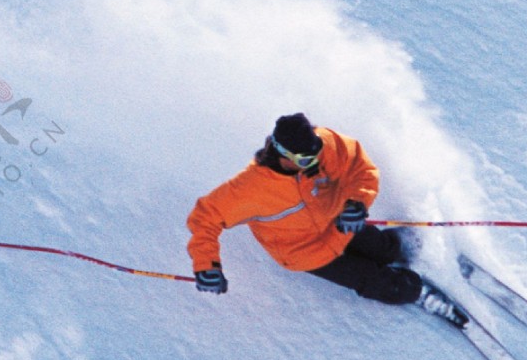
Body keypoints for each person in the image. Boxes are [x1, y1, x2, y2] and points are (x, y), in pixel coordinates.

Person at [187, 113, 468, 326]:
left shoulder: (323, 146)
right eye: (306, 159)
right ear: (283, 154)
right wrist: (206, 266)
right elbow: (204, 219)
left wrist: (358, 203)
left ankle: (403, 250)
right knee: (378, 283)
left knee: (386, 247)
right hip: (305, 252)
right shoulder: (247, 190)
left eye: (316, 153)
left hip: (340, 222)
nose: (314, 161)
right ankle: (416, 292)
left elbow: (361, 166)